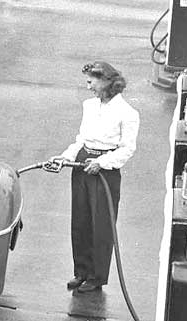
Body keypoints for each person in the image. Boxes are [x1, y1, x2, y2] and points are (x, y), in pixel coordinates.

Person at [51, 61, 139, 294]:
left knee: (101, 225)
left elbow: (127, 149)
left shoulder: (127, 113)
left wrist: (102, 163)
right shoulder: (89, 106)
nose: (88, 86)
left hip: (104, 172)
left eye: (91, 81)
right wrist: (64, 157)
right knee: (80, 221)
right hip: (82, 164)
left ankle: (97, 277)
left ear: (106, 81)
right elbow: (81, 139)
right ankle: (81, 271)